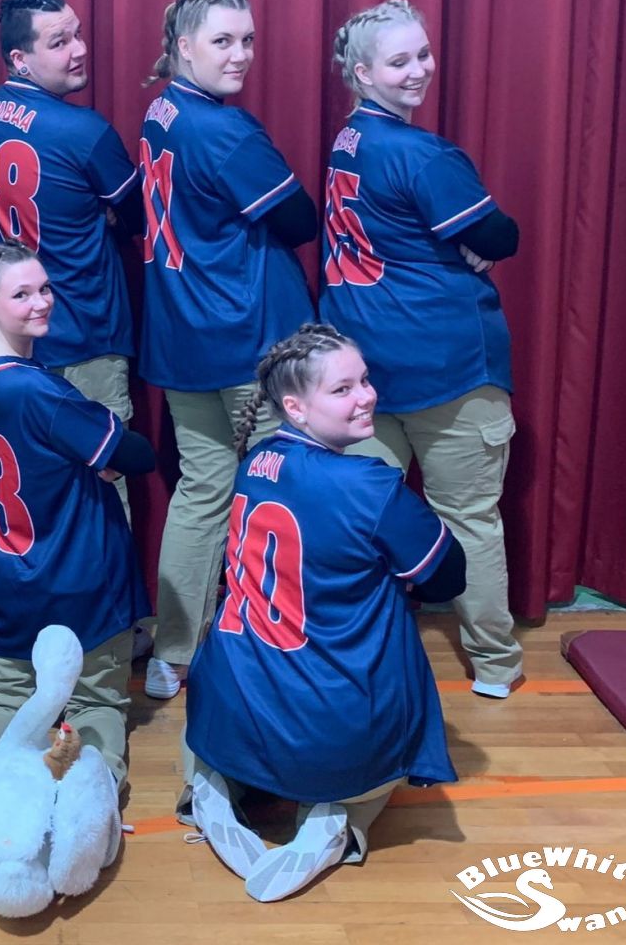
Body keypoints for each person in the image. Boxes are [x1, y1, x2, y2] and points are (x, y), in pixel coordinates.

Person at [183, 323, 462, 902]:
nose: (366, 397)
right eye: (342, 389)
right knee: (391, 620)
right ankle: (338, 820)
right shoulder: (369, 483)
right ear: (296, 407)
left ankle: (211, 785)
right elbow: (447, 577)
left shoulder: (256, 458)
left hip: (230, 700)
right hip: (325, 719)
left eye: (365, 380)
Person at [0, 242, 155, 867]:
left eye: (44, 288)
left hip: (4, 571)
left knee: (4, 695)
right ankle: (87, 800)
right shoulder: (40, 390)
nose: (41, 301)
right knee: (97, 700)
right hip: (75, 572)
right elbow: (136, 454)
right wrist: (100, 461)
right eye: (21, 294)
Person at [321, 0, 523, 698]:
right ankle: (495, 663)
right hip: (446, 363)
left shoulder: (346, 140)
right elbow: (498, 236)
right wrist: (477, 243)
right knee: (468, 519)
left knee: (363, 520)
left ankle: (360, 654)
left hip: (363, 365)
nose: (418, 70)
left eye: (423, 54)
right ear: (361, 72)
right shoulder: (422, 152)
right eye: (399, 60)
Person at [138, 0, 317, 699]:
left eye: (246, 39)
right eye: (222, 41)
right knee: (277, 498)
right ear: (184, 47)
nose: (240, 54)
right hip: (249, 341)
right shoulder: (225, 129)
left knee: (201, 493)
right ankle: (274, 646)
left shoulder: (161, 110)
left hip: (185, 339)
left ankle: (173, 654)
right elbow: (301, 220)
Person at [0, 0, 143, 515]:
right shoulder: (83, 129)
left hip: (9, 338)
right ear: (20, 59)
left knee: (34, 488)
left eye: (78, 34)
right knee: (103, 484)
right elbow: (138, 218)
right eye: (60, 42)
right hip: (80, 331)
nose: (79, 49)